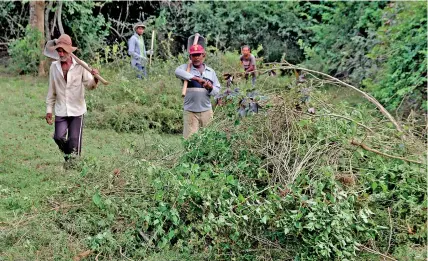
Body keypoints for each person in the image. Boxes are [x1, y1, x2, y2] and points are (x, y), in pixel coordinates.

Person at [45, 34, 99, 165]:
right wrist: (49, 110)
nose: (61, 53)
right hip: (61, 109)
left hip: (77, 110)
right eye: (59, 50)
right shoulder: (54, 67)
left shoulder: (81, 66)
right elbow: (51, 91)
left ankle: (73, 165)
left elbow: (90, 85)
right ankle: (70, 158)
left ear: (69, 50)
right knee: (58, 137)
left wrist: (96, 78)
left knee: (74, 140)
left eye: (63, 50)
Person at [175, 44, 221, 139]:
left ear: (203, 55)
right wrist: (197, 79)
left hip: (207, 111)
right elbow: (177, 72)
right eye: (194, 55)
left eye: (198, 55)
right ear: (190, 57)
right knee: (190, 140)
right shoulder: (185, 68)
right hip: (190, 111)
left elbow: (217, 92)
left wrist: (210, 87)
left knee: (209, 138)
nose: (196, 58)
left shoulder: (210, 72)